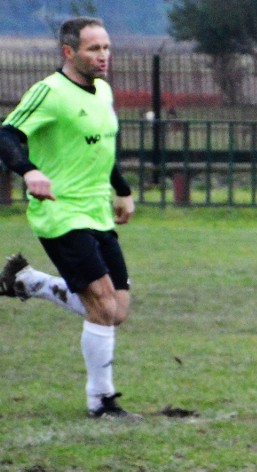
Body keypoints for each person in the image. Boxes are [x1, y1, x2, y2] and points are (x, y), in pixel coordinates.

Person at [0, 17, 138, 419]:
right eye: (94, 49)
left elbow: (99, 148)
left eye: (106, 48)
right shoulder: (50, 92)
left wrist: (123, 189)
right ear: (69, 52)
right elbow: (6, 135)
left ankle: (33, 283)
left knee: (117, 311)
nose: (103, 56)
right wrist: (28, 171)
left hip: (97, 211)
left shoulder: (103, 91)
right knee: (101, 305)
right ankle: (101, 400)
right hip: (60, 211)